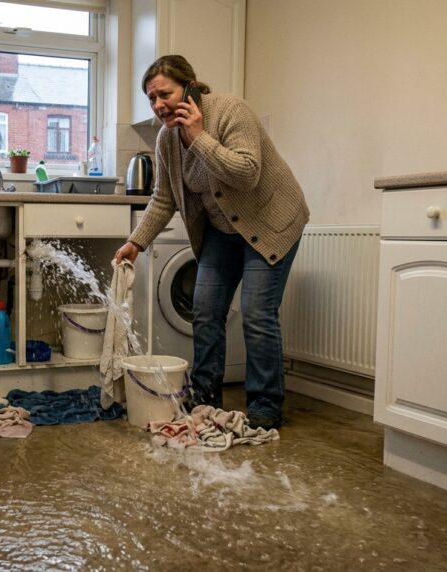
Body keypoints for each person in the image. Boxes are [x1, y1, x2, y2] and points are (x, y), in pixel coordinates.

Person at [114, 55, 309, 430]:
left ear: (190, 86)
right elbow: (164, 199)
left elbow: (247, 173)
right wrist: (135, 243)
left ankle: (265, 407)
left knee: (256, 313)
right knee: (205, 309)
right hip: (223, 229)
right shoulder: (166, 138)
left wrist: (199, 137)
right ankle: (205, 399)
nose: (158, 105)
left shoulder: (231, 111)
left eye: (164, 94)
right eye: (151, 99)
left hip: (271, 221)